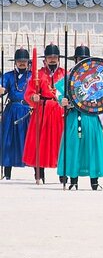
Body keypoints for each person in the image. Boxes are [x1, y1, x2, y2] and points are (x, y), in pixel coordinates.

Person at [56, 45, 103, 191]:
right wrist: (63, 100)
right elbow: (58, 93)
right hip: (74, 116)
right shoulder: (69, 77)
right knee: (73, 147)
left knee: (92, 147)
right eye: (80, 59)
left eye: (84, 59)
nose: (82, 62)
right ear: (75, 60)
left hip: (91, 116)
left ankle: (94, 180)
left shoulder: (97, 76)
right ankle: (73, 179)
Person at [23, 43, 65, 183]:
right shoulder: (38, 75)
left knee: (61, 142)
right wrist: (33, 97)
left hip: (60, 111)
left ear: (58, 58)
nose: (52, 60)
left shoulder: (65, 74)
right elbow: (29, 93)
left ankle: (63, 173)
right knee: (39, 142)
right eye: (49, 57)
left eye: (55, 57)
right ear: (45, 59)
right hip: (42, 109)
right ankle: (39, 172)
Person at [0, 48, 32, 180]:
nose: (22, 63)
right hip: (12, 110)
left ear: (28, 62)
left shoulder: (33, 76)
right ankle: (7, 171)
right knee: (9, 140)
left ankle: (38, 173)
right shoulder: (8, 75)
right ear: (15, 62)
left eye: (24, 61)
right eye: (19, 61)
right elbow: (3, 89)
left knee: (29, 140)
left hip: (27, 110)